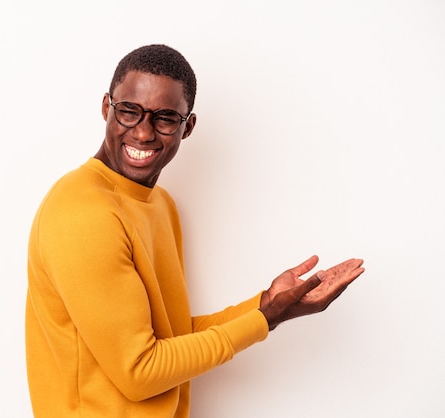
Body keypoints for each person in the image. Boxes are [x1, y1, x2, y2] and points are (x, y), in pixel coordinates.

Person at [25, 44, 365, 417]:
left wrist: (269, 304)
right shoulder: (83, 213)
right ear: (107, 107)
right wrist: (264, 319)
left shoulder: (161, 205)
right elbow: (139, 371)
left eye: (165, 118)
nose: (142, 133)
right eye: (128, 111)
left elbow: (168, 335)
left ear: (187, 127)